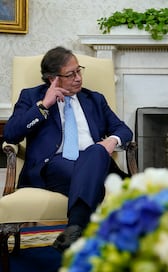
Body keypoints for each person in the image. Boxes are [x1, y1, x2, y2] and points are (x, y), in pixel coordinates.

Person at [3, 46, 133, 252]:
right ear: (52, 79)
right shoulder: (31, 97)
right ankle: (81, 227)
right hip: (55, 164)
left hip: (97, 159)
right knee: (90, 174)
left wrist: (111, 141)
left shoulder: (95, 99)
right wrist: (44, 105)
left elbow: (123, 130)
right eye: (70, 74)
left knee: (96, 151)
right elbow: (11, 134)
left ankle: (75, 228)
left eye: (79, 70)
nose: (78, 78)